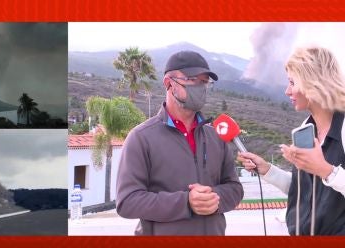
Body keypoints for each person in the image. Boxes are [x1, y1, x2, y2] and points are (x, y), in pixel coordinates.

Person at [116, 50, 244, 235]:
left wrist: (215, 198)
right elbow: (127, 201)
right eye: (192, 80)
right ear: (169, 84)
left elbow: (234, 188)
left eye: (204, 82)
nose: (200, 88)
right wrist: (186, 202)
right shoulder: (141, 137)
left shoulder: (215, 136)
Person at [238, 46, 345, 235]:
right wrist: (267, 169)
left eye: (292, 82)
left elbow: (328, 179)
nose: (287, 91)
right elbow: (303, 191)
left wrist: (326, 171)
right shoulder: (305, 130)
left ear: (312, 82)